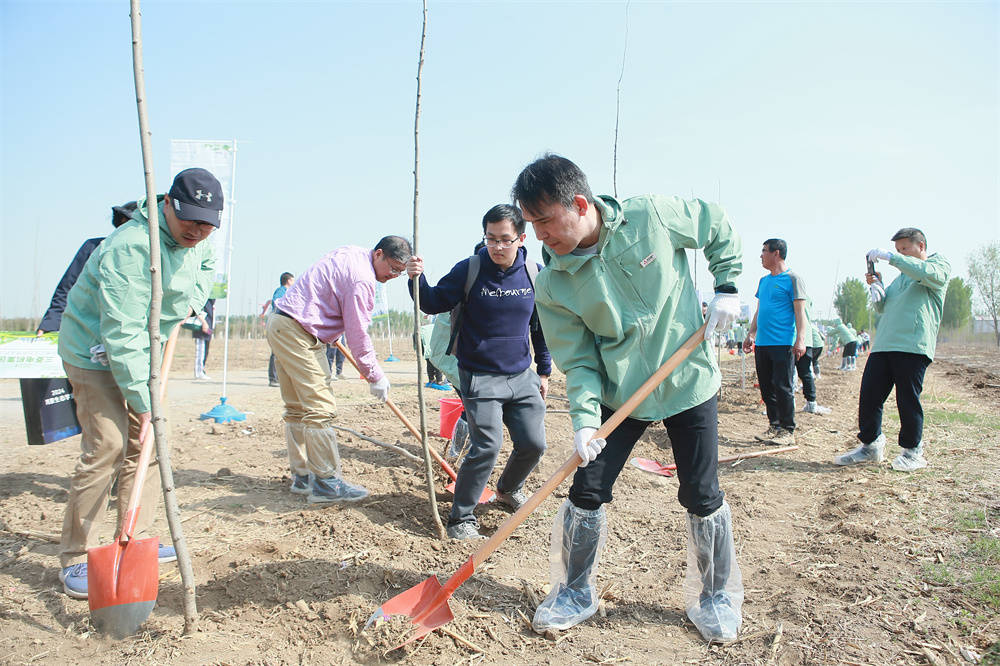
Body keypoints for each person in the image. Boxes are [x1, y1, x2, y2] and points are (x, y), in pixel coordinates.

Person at [513, 154, 744, 643]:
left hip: (686, 379)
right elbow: (579, 362)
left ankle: (715, 597)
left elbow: (715, 223)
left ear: (579, 204)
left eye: (544, 221)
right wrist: (582, 422)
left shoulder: (650, 217)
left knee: (701, 493)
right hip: (620, 393)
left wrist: (727, 285)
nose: (538, 236)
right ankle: (575, 591)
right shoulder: (554, 284)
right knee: (586, 488)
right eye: (530, 224)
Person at [55, 168, 221, 599]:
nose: (197, 232)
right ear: (168, 204)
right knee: (108, 445)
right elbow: (122, 333)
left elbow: (206, 267)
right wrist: (144, 403)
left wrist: (188, 301)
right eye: (190, 222)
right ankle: (77, 555)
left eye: (207, 224)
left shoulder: (201, 235)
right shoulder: (130, 248)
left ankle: (135, 537)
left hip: (144, 349)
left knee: (146, 446)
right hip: (95, 352)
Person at [406, 205, 551, 540]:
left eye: (505, 240)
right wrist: (417, 278)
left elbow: (540, 328)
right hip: (480, 376)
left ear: (521, 238)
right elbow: (431, 301)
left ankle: (508, 489)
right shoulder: (469, 269)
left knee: (534, 443)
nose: (497, 247)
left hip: (521, 375)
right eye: (490, 239)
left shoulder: (534, 273)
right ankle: (462, 518)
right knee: (487, 445)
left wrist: (543, 371)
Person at [266, 236, 411, 503]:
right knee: (320, 408)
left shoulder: (353, 252)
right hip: (299, 332)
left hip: (282, 324)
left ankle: (303, 476)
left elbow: (326, 292)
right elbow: (357, 335)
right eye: (392, 268)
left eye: (399, 273)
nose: (393, 276)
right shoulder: (362, 280)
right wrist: (374, 374)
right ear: (378, 254)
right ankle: (326, 484)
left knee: (299, 408)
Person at [834, 228, 950, 472]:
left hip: (912, 345)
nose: (899, 255)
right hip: (884, 344)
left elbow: (927, 273)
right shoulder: (900, 280)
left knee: (907, 399)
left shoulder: (938, 266)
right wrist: (878, 289)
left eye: (904, 249)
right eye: (897, 251)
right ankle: (870, 445)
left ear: (921, 246)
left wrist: (891, 258)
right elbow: (883, 308)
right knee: (870, 396)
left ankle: (912, 451)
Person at [742, 239, 807, 446]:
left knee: (783, 386)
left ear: (776, 253)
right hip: (762, 343)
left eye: (764, 251)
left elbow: (800, 313)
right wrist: (751, 333)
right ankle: (774, 425)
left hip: (782, 343)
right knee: (766, 387)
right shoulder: (764, 281)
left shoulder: (793, 279)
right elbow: (760, 311)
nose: (761, 255)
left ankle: (788, 430)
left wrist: (801, 340)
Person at [37, 202, 138, 334]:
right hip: (88, 330)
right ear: (123, 221)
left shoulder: (153, 257)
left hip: (131, 332)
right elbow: (68, 287)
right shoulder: (94, 248)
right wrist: (50, 324)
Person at [797, 299, 831, 414]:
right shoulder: (807, 299)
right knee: (805, 371)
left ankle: (783, 406)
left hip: (794, 338)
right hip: (806, 339)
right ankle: (811, 403)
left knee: (787, 372)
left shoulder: (790, 292)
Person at [261, 272, 294, 387]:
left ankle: (280, 378)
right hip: (279, 323)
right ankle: (273, 378)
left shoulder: (287, 292)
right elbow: (277, 303)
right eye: (293, 280)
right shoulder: (281, 291)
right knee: (276, 351)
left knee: (282, 352)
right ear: (288, 280)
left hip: (284, 324)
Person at [191, 299, 214, 380]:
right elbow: (197, 309)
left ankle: (201, 370)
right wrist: (203, 322)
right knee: (200, 350)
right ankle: (198, 371)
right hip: (201, 325)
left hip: (208, 325)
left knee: (205, 350)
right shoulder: (203, 297)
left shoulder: (211, 300)